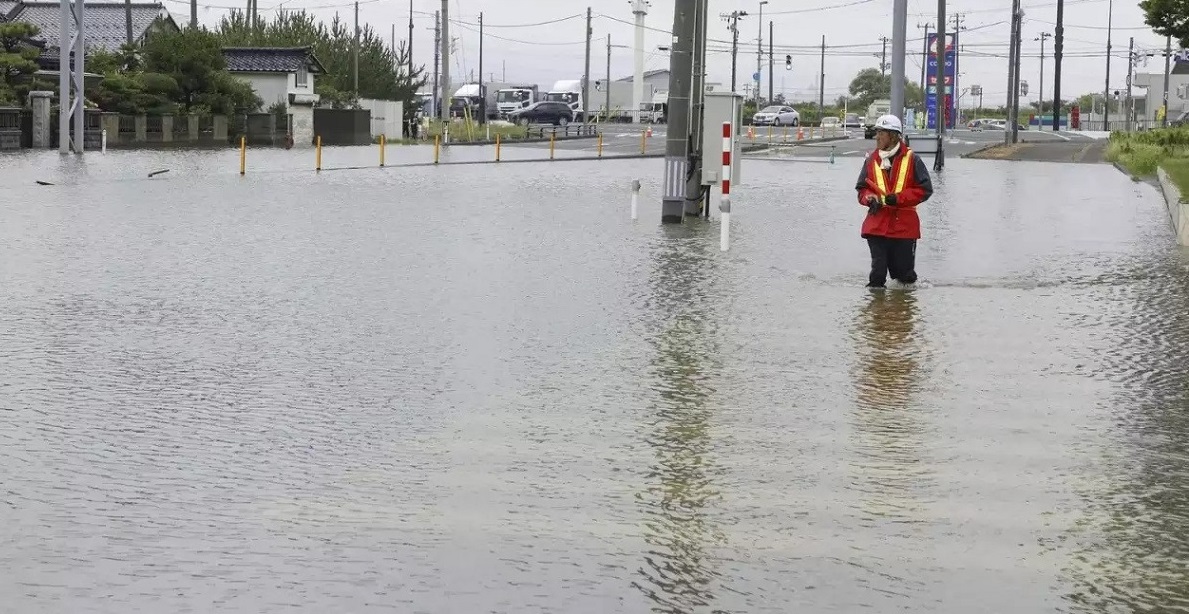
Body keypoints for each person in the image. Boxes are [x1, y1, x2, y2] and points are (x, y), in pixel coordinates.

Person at [854, 114, 934, 288]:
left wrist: (898, 198)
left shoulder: (913, 159)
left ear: (894, 135)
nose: (878, 137)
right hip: (877, 225)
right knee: (877, 276)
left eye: (882, 133)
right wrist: (870, 199)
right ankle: (877, 312)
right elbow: (861, 189)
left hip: (904, 227)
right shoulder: (871, 160)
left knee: (904, 278)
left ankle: (900, 311)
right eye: (878, 132)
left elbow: (925, 190)